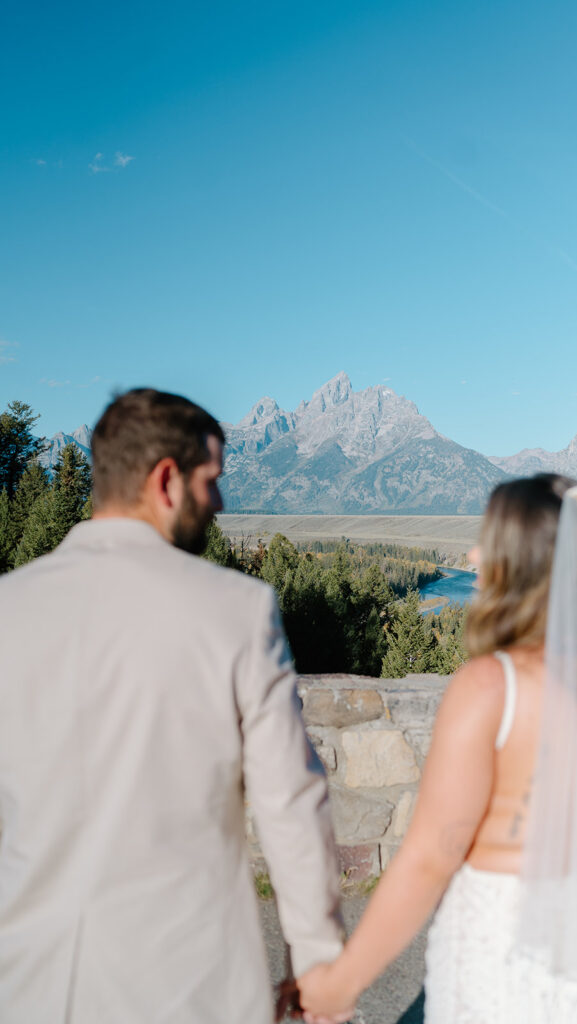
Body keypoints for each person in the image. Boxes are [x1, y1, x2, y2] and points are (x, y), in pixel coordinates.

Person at [0, 388, 344, 1024]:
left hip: (26, 986)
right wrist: (318, 963)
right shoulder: (236, 612)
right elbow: (290, 807)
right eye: (211, 481)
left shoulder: (8, 607)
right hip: (184, 984)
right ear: (166, 480)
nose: (218, 502)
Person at [298, 474, 577, 1023]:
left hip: (510, 955)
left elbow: (431, 858)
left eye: (489, 539)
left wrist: (341, 982)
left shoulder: (491, 687)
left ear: (524, 562)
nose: (474, 554)